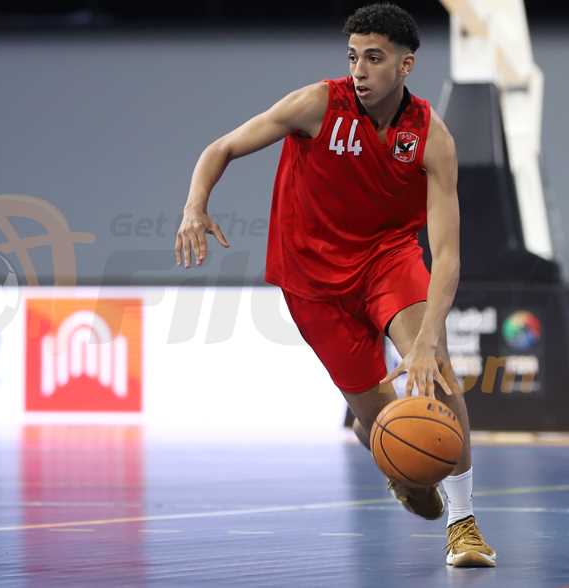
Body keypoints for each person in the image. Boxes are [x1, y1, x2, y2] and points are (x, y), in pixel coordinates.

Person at [174, 2, 495, 568]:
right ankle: (405, 472)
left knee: (438, 365)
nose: (359, 71)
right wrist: (194, 206)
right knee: (385, 431)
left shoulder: (431, 137)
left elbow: (446, 253)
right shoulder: (316, 105)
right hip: (312, 281)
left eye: (374, 58)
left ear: (405, 65)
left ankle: (464, 524)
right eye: (353, 58)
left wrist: (426, 339)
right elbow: (219, 148)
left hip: (387, 260)